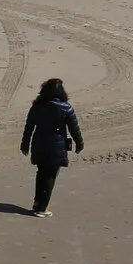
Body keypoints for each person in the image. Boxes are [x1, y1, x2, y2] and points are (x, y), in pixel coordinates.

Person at [20, 77, 84, 217]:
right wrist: (79, 144)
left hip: (39, 145)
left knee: (41, 173)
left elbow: (28, 128)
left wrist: (24, 145)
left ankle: (38, 203)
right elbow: (75, 129)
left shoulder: (36, 107)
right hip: (56, 147)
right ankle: (42, 208)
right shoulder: (66, 108)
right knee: (50, 176)